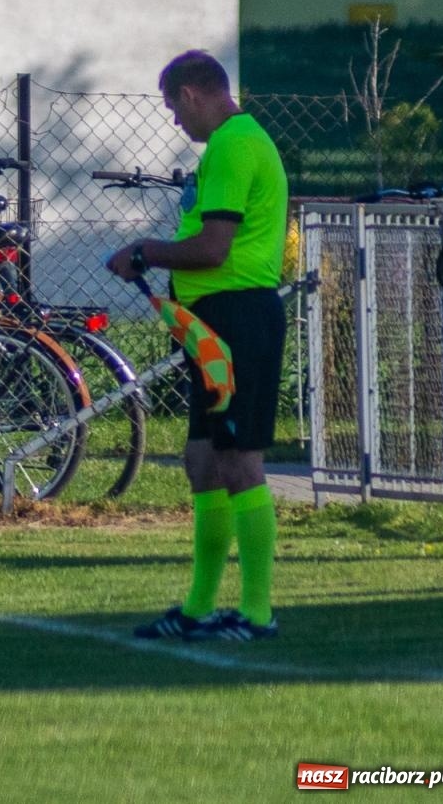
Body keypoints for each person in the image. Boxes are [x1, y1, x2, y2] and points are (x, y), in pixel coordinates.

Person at [108, 50, 288, 642]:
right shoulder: (230, 145)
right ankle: (197, 609)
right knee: (202, 461)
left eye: (172, 109)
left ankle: (258, 613)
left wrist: (147, 250)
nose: (175, 124)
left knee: (239, 459)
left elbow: (214, 248)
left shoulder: (235, 145)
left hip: (240, 320)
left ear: (191, 94)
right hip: (215, 325)